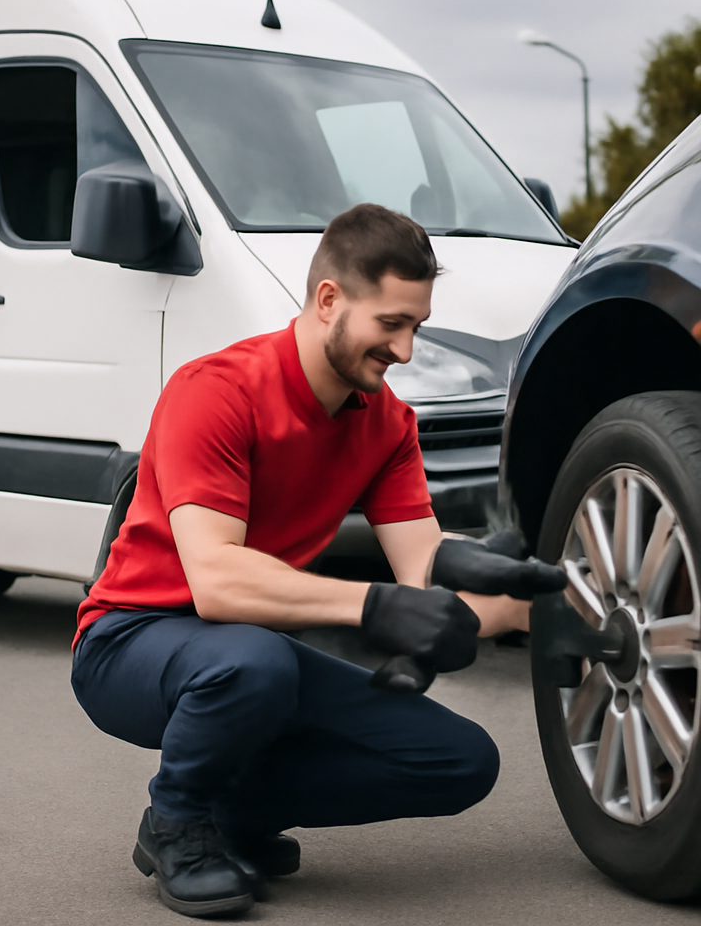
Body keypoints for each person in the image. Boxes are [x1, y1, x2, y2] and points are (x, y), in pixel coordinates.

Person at [71, 204, 565, 918]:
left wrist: (534, 606)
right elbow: (215, 582)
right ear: (329, 300)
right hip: (129, 644)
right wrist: (370, 607)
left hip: (251, 653)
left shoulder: (387, 424)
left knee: (460, 761)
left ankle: (229, 810)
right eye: (390, 324)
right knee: (252, 662)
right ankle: (175, 823)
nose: (404, 350)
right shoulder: (215, 393)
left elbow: (421, 567)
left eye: (416, 327)